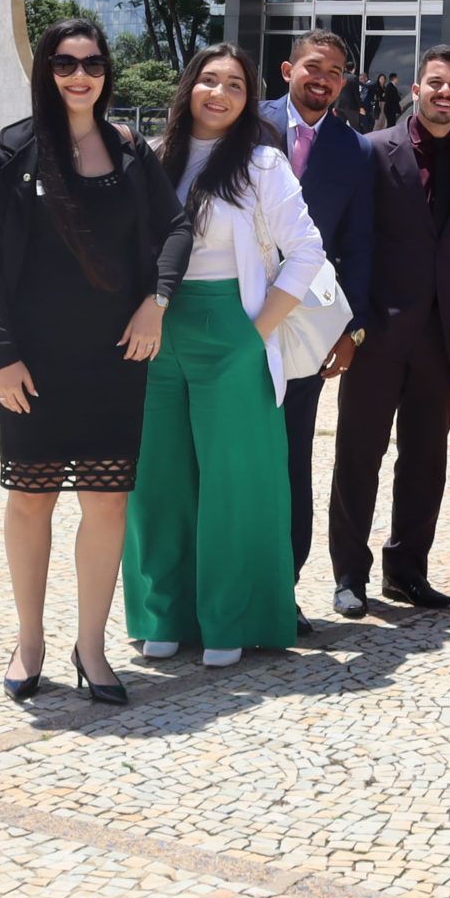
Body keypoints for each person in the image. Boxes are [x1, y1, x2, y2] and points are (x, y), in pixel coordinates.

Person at [0, 18, 191, 706]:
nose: (79, 75)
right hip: (30, 363)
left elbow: (177, 226)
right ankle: (29, 640)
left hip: (114, 358)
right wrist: (2, 355)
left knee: (106, 503)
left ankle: (90, 646)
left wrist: (157, 300)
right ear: (47, 70)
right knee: (31, 500)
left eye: (91, 62)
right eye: (64, 63)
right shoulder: (12, 152)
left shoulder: (129, 151)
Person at [124, 43, 325, 666]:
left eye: (235, 84)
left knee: (234, 485)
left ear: (249, 98)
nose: (219, 93)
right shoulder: (155, 158)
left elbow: (308, 252)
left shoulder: (263, 164)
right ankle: (164, 613)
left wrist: (254, 333)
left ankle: (231, 618)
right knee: (158, 480)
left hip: (232, 327)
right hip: (156, 327)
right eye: (208, 80)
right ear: (188, 88)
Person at [329, 47, 450, 617]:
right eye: (435, 83)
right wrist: (351, 323)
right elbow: (349, 241)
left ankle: (407, 569)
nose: (444, 93)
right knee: (357, 455)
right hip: (377, 332)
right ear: (415, 90)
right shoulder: (372, 151)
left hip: (438, 339)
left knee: (425, 459)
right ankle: (350, 574)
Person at [260, 30, 374, 634]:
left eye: (335, 70)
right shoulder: (244, 126)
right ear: (287, 69)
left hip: (303, 333)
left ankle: (283, 587)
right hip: (233, 317)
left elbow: (358, 248)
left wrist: (350, 331)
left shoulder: (354, 152)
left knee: (289, 458)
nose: (323, 78)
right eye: (312, 66)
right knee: (224, 456)